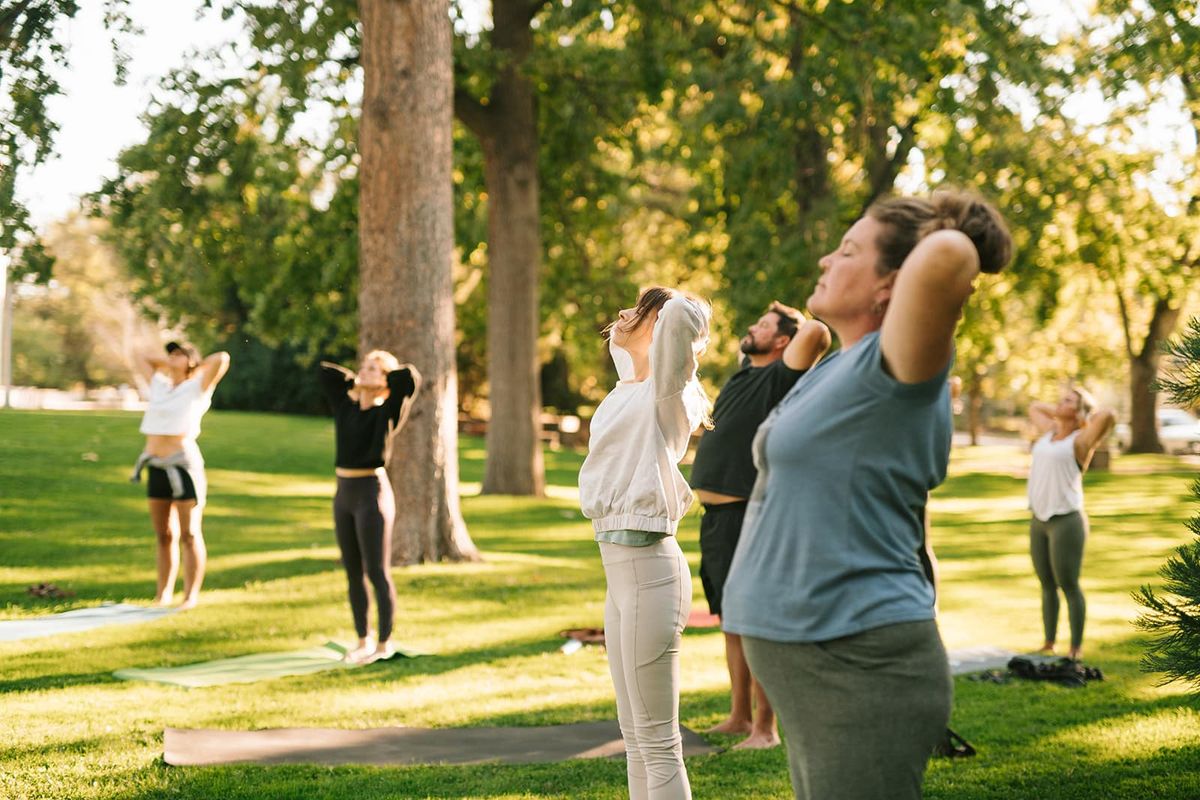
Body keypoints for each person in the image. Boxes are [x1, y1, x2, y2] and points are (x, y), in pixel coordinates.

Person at [721, 189, 1013, 800]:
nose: (827, 259)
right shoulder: (838, 366)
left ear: (892, 285)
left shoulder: (900, 362)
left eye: (849, 250)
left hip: (859, 662)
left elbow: (952, 254)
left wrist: (942, 224)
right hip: (811, 662)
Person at [578, 287, 711, 800]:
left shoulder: (668, 391)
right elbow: (645, 337)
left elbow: (683, 318)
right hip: (621, 574)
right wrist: (644, 324)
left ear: (661, 326)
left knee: (657, 740)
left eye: (639, 309)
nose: (622, 314)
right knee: (634, 736)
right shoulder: (624, 392)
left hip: (650, 568)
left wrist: (670, 306)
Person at [688, 302, 830, 749]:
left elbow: (819, 335)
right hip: (716, 521)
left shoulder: (780, 378)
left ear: (784, 341)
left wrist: (801, 317)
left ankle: (766, 728)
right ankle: (738, 718)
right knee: (731, 620)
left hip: (747, 516)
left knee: (758, 622)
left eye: (765, 325)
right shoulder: (744, 376)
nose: (753, 327)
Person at [319, 351, 421, 664]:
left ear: (385, 381)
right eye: (364, 366)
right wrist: (360, 381)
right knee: (352, 570)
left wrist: (383, 382)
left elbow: (410, 377)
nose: (365, 371)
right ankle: (362, 640)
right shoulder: (345, 407)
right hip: (344, 493)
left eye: (374, 369)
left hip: (371, 494)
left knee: (376, 571)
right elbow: (325, 373)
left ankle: (384, 642)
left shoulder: (387, 412)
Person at [131, 341, 230, 609]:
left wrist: (193, 367)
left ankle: (189, 597)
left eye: (179, 354)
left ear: (191, 361)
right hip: (156, 464)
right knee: (163, 534)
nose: (172, 358)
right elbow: (141, 354)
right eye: (170, 354)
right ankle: (162, 594)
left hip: (183, 466)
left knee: (189, 533)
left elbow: (221, 357)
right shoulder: (160, 385)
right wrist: (172, 365)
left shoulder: (197, 387)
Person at [1027, 386, 1114, 661]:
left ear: (1079, 411)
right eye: (1061, 398)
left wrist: (1080, 416)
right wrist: (1061, 413)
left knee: (1069, 584)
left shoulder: (1080, 441)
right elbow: (1033, 407)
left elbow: (1109, 415)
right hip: (1039, 518)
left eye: (1068, 400)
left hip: (1066, 520)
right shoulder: (1049, 433)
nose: (1058, 402)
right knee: (1046, 583)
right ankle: (1049, 642)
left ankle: (1075, 647)